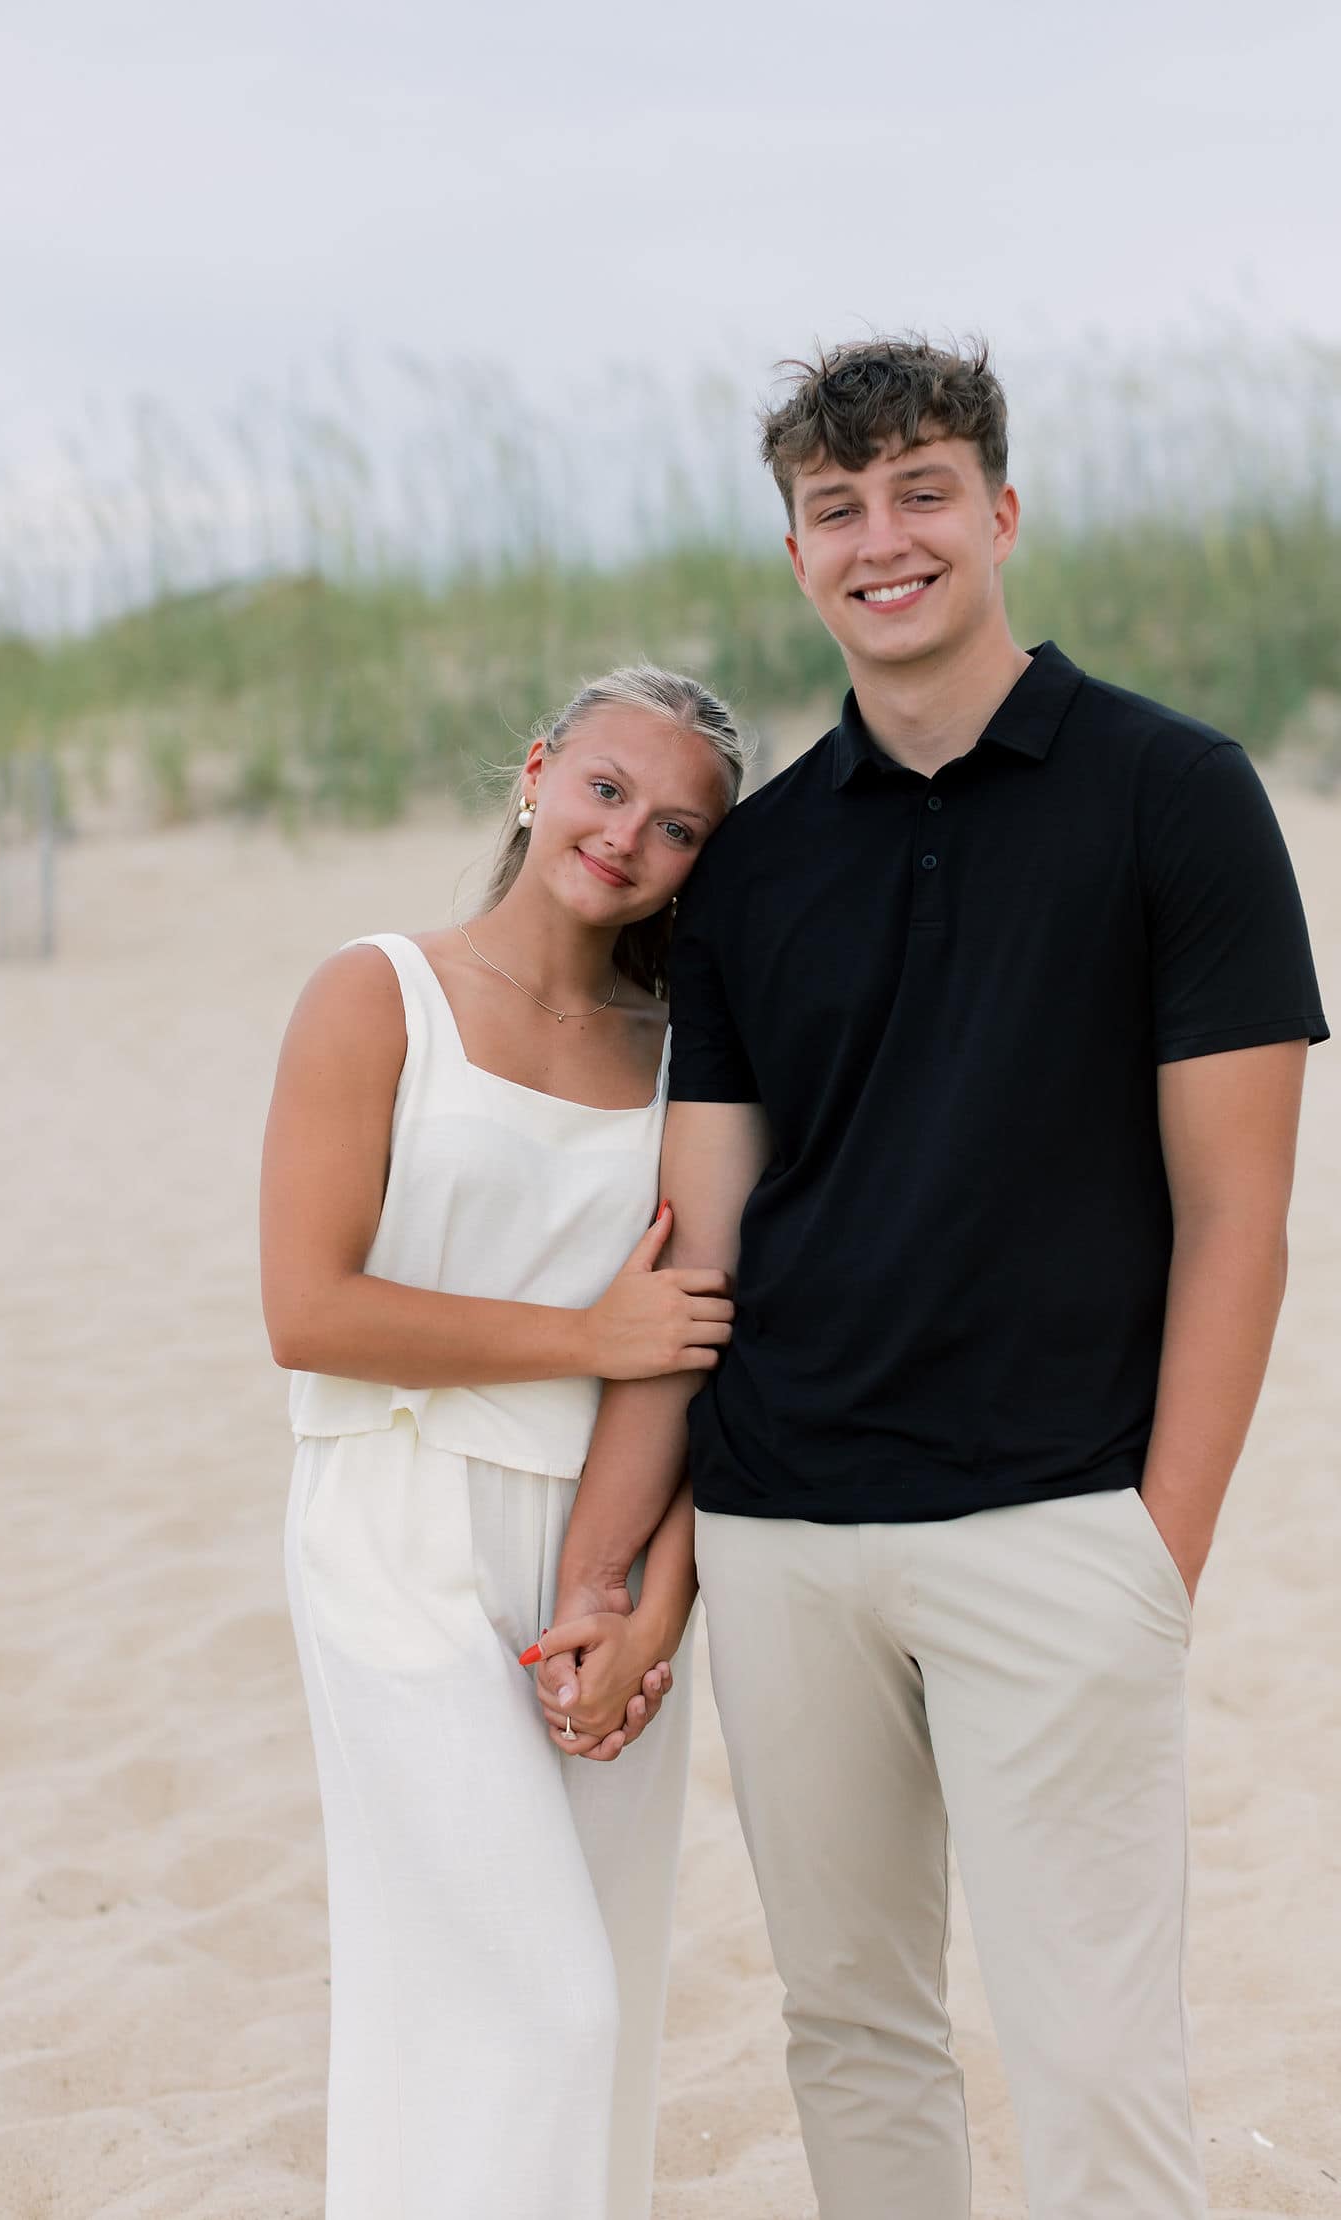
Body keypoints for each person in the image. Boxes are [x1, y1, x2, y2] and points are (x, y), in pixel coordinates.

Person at [534, 338, 1329, 2218]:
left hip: (1062, 1523)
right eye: (836, 509)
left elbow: (1241, 1215)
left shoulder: (1178, 795)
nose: (880, 539)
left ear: (999, 512)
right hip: (792, 1529)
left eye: (919, 494)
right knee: (853, 2031)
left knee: (1094, 2053)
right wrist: (626, 1560)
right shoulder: (753, 864)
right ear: (799, 553)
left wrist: (1162, 1549)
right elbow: (701, 1245)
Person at [260, 665, 746, 2220]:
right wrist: (576, 1340)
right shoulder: (376, 989)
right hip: (397, 1530)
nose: (627, 839)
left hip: (597, 1563)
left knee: (573, 2012)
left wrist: (650, 1598)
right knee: (542, 2002)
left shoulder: (683, 1054)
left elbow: (692, 1357)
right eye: (606, 789)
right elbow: (307, 1307)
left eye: (677, 827)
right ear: (537, 773)